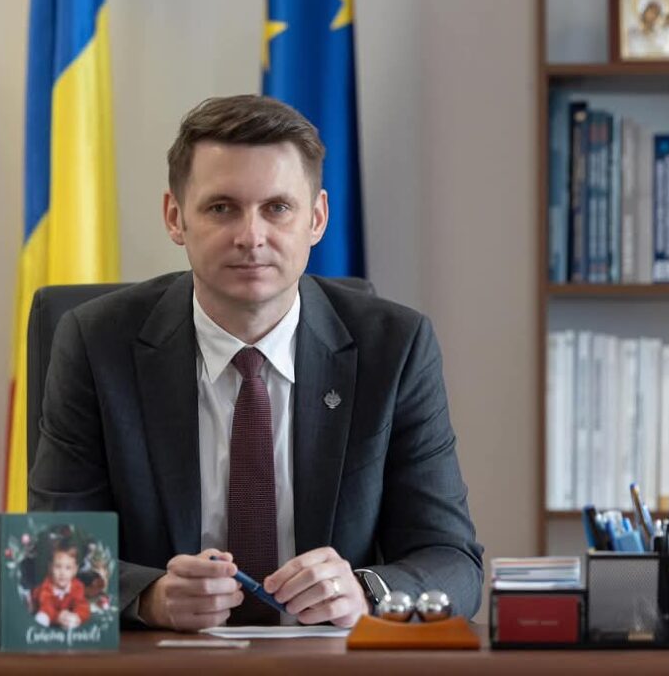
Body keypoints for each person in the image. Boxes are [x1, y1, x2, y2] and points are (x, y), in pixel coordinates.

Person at [29, 94, 483, 629]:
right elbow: (52, 555)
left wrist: (364, 593)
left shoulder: (396, 348)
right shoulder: (95, 343)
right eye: (222, 208)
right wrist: (149, 598)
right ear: (176, 217)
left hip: (330, 662)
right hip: (164, 660)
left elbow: (453, 562)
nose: (251, 237)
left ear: (317, 219)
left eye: (278, 208)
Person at [32, 541, 91, 629]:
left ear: (75, 570)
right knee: (42, 617)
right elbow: (46, 607)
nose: (62, 573)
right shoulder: (46, 587)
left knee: (72, 622)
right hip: (42, 605)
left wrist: (77, 616)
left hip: (66, 613)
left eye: (68, 568)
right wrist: (57, 617)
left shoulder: (77, 587)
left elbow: (82, 606)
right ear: (50, 568)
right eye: (58, 566)